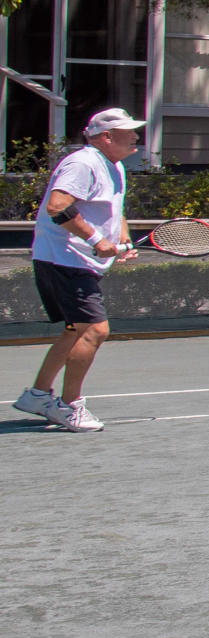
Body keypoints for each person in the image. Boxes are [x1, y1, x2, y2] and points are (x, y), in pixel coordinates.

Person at [21, 108, 144, 432]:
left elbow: (111, 208)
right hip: (64, 257)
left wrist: (121, 237)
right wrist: (95, 239)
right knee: (94, 329)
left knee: (76, 329)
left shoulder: (114, 166)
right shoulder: (83, 163)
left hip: (74, 260)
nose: (135, 136)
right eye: (128, 131)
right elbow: (58, 205)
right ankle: (69, 406)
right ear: (106, 137)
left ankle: (37, 395)